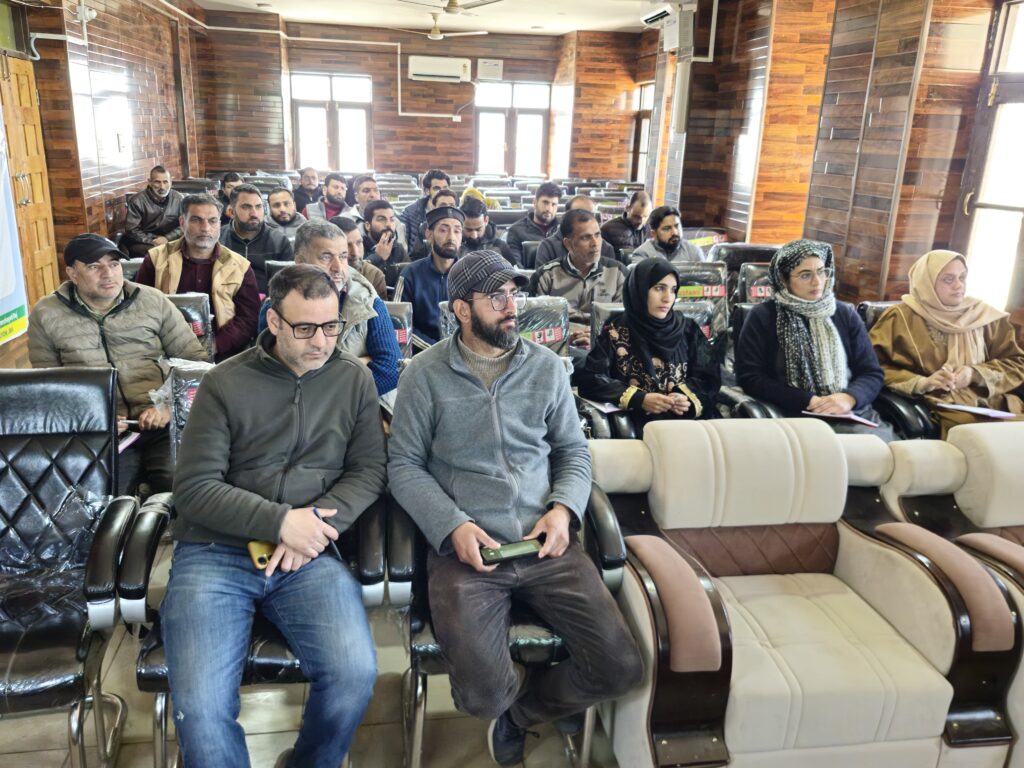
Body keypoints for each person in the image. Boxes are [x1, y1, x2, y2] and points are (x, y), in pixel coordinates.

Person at [388, 251, 643, 767]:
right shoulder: (424, 375)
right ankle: (515, 701)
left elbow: (573, 452)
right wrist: (452, 526)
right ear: (462, 309)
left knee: (621, 668)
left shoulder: (546, 368)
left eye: (513, 294)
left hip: (545, 542)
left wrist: (563, 509)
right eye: (496, 297)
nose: (511, 307)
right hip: (469, 552)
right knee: (481, 697)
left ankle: (524, 713)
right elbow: (404, 467)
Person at [164, 264, 385, 768]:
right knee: (202, 711)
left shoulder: (353, 380)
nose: (321, 342)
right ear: (274, 321)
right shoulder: (224, 382)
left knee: (353, 676)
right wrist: (281, 522)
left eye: (331, 326)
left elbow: (370, 470)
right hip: (216, 552)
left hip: (308, 553)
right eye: (304, 328)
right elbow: (194, 489)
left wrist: (313, 525)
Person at [27, 234, 208, 495]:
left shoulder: (152, 301)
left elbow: (197, 363)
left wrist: (169, 406)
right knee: (103, 498)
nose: (108, 274)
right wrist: (95, 419)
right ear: (72, 273)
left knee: (178, 487)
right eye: (94, 266)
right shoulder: (47, 314)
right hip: (97, 430)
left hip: (163, 423)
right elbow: (47, 388)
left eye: (113, 264)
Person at [735, 239, 895, 439]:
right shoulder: (763, 316)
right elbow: (750, 377)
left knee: (880, 450)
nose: (817, 282)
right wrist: (807, 400)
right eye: (805, 275)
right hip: (793, 414)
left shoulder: (845, 314)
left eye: (821, 272)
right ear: (784, 279)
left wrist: (849, 397)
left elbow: (871, 373)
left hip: (850, 413)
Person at [869, 249, 1024, 436]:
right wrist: (922, 382)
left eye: (962, 277)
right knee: (977, 436)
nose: (959, 285)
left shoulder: (984, 316)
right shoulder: (900, 317)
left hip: (995, 404)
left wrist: (975, 374)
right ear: (926, 282)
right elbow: (872, 367)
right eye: (948, 279)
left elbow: (1017, 363)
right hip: (941, 406)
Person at [257, 220, 400, 399]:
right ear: (300, 261)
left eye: (343, 256)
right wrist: (358, 364)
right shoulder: (276, 307)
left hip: (352, 407)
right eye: (326, 257)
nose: (338, 267)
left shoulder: (368, 301)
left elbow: (391, 371)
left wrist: (330, 398)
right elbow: (276, 373)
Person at [577, 259, 719, 429]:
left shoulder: (688, 329)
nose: (668, 298)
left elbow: (709, 377)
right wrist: (640, 399)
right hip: (637, 425)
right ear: (639, 290)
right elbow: (591, 379)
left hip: (686, 424)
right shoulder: (615, 330)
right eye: (659, 288)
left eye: (673, 290)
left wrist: (684, 397)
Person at [136, 193, 260, 361]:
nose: (205, 228)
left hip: (224, 355)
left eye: (212, 221)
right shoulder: (156, 259)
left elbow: (248, 319)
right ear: (182, 223)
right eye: (196, 220)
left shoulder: (239, 266)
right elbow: (141, 310)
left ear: (220, 224)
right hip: (166, 353)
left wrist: (213, 346)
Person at [529, 209, 625, 351]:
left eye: (597, 235)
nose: (595, 243)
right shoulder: (546, 275)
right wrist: (564, 337)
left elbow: (626, 323)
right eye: (585, 238)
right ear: (568, 244)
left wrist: (598, 338)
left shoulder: (618, 273)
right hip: (557, 348)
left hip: (605, 347)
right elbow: (532, 326)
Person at [399, 205, 464, 345]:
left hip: (462, 350)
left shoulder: (470, 274)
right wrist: (434, 350)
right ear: (429, 235)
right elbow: (399, 324)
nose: (451, 237)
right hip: (421, 352)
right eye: (443, 230)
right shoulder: (410, 275)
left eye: (457, 231)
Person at [219, 183, 294, 293]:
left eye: (258, 206)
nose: (254, 213)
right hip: (225, 298)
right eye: (246, 207)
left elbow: (287, 285)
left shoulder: (279, 241)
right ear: (231, 212)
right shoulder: (218, 239)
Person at [534, 195, 617, 268]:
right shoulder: (548, 247)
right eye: (580, 215)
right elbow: (543, 279)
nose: (587, 220)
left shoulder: (605, 248)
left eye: (591, 215)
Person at [121, 165, 184, 257]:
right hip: (146, 243)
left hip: (171, 240)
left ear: (170, 182)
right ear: (149, 182)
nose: (162, 187)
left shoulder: (179, 198)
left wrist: (167, 238)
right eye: (157, 182)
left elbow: (185, 224)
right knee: (158, 253)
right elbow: (132, 230)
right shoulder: (137, 201)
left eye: (165, 182)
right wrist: (153, 241)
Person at [331, 215, 388, 300]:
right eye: (347, 245)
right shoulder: (321, 274)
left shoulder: (374, 275)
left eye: (359, 242)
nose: (355, 252)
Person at [505, 182, 562, 265]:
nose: (549, 209)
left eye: (553, 204)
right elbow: (515, 267)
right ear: (535, 203)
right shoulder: (516, 231)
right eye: (545, 203)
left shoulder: (563, 229)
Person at [399, 169, 450, 251]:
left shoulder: (454, 212)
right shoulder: (409, 213)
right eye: (437, 189)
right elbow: (402, 248)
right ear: (427, 191)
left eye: (445, 188)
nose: (442, 192)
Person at [632, 206, 704, 263]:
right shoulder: (643, 254)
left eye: (676, 226)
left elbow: (704, 277)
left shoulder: (693, 252)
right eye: (667, 228)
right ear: (654, 234)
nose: (674, 232)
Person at [363, 199, 409, 287]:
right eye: (381, 219)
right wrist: (377, 257)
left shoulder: (398, 248)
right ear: (368, 225)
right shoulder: (358, 246)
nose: (388, 224)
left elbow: (410, 278)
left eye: (391, 219)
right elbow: (357, 278)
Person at [460, 198, 517, 266]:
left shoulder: (500, 247)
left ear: (486, 221)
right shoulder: (454, 246)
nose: (474, 236)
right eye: (468, 230)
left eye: (478, 229)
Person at [410, 189, 461, 261]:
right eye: (443, 206)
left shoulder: (461, 228)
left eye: (451, 206)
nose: (447, 209)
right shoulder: (424, 228)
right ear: (434, 208)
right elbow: (416, 256)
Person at [600, 191, 652, 257]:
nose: (641, 221)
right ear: (627, 208)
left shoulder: (652, 230)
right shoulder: (607, 229)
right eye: (636, 216)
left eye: (645, 216)